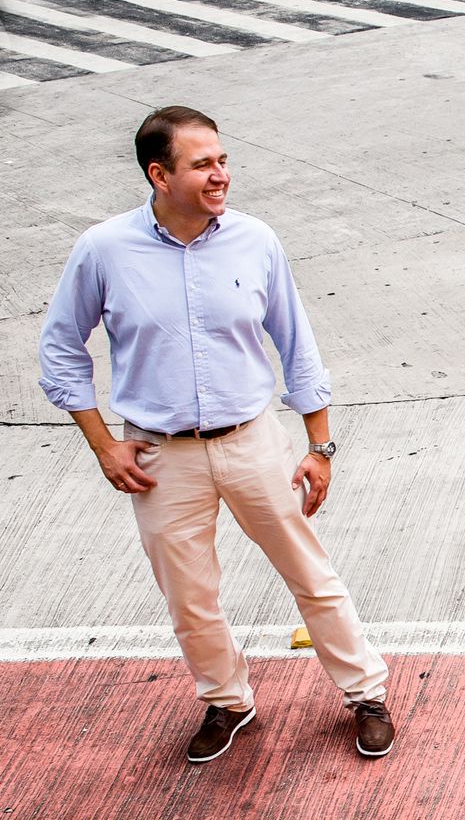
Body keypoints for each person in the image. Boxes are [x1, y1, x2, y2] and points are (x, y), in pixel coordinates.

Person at [38, 106, 395, 763]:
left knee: (311, 574)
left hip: (252, 440)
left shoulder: (255, 240)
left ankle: (366, 694)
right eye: (202, 164)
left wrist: (319, 446)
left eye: (222, 160)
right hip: (159, 455)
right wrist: (102, 445)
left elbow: (297, 343)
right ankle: (228, 702)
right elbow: (60, 349)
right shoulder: (104, 250)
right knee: (190, 596)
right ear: (159, 174)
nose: (220, 174)